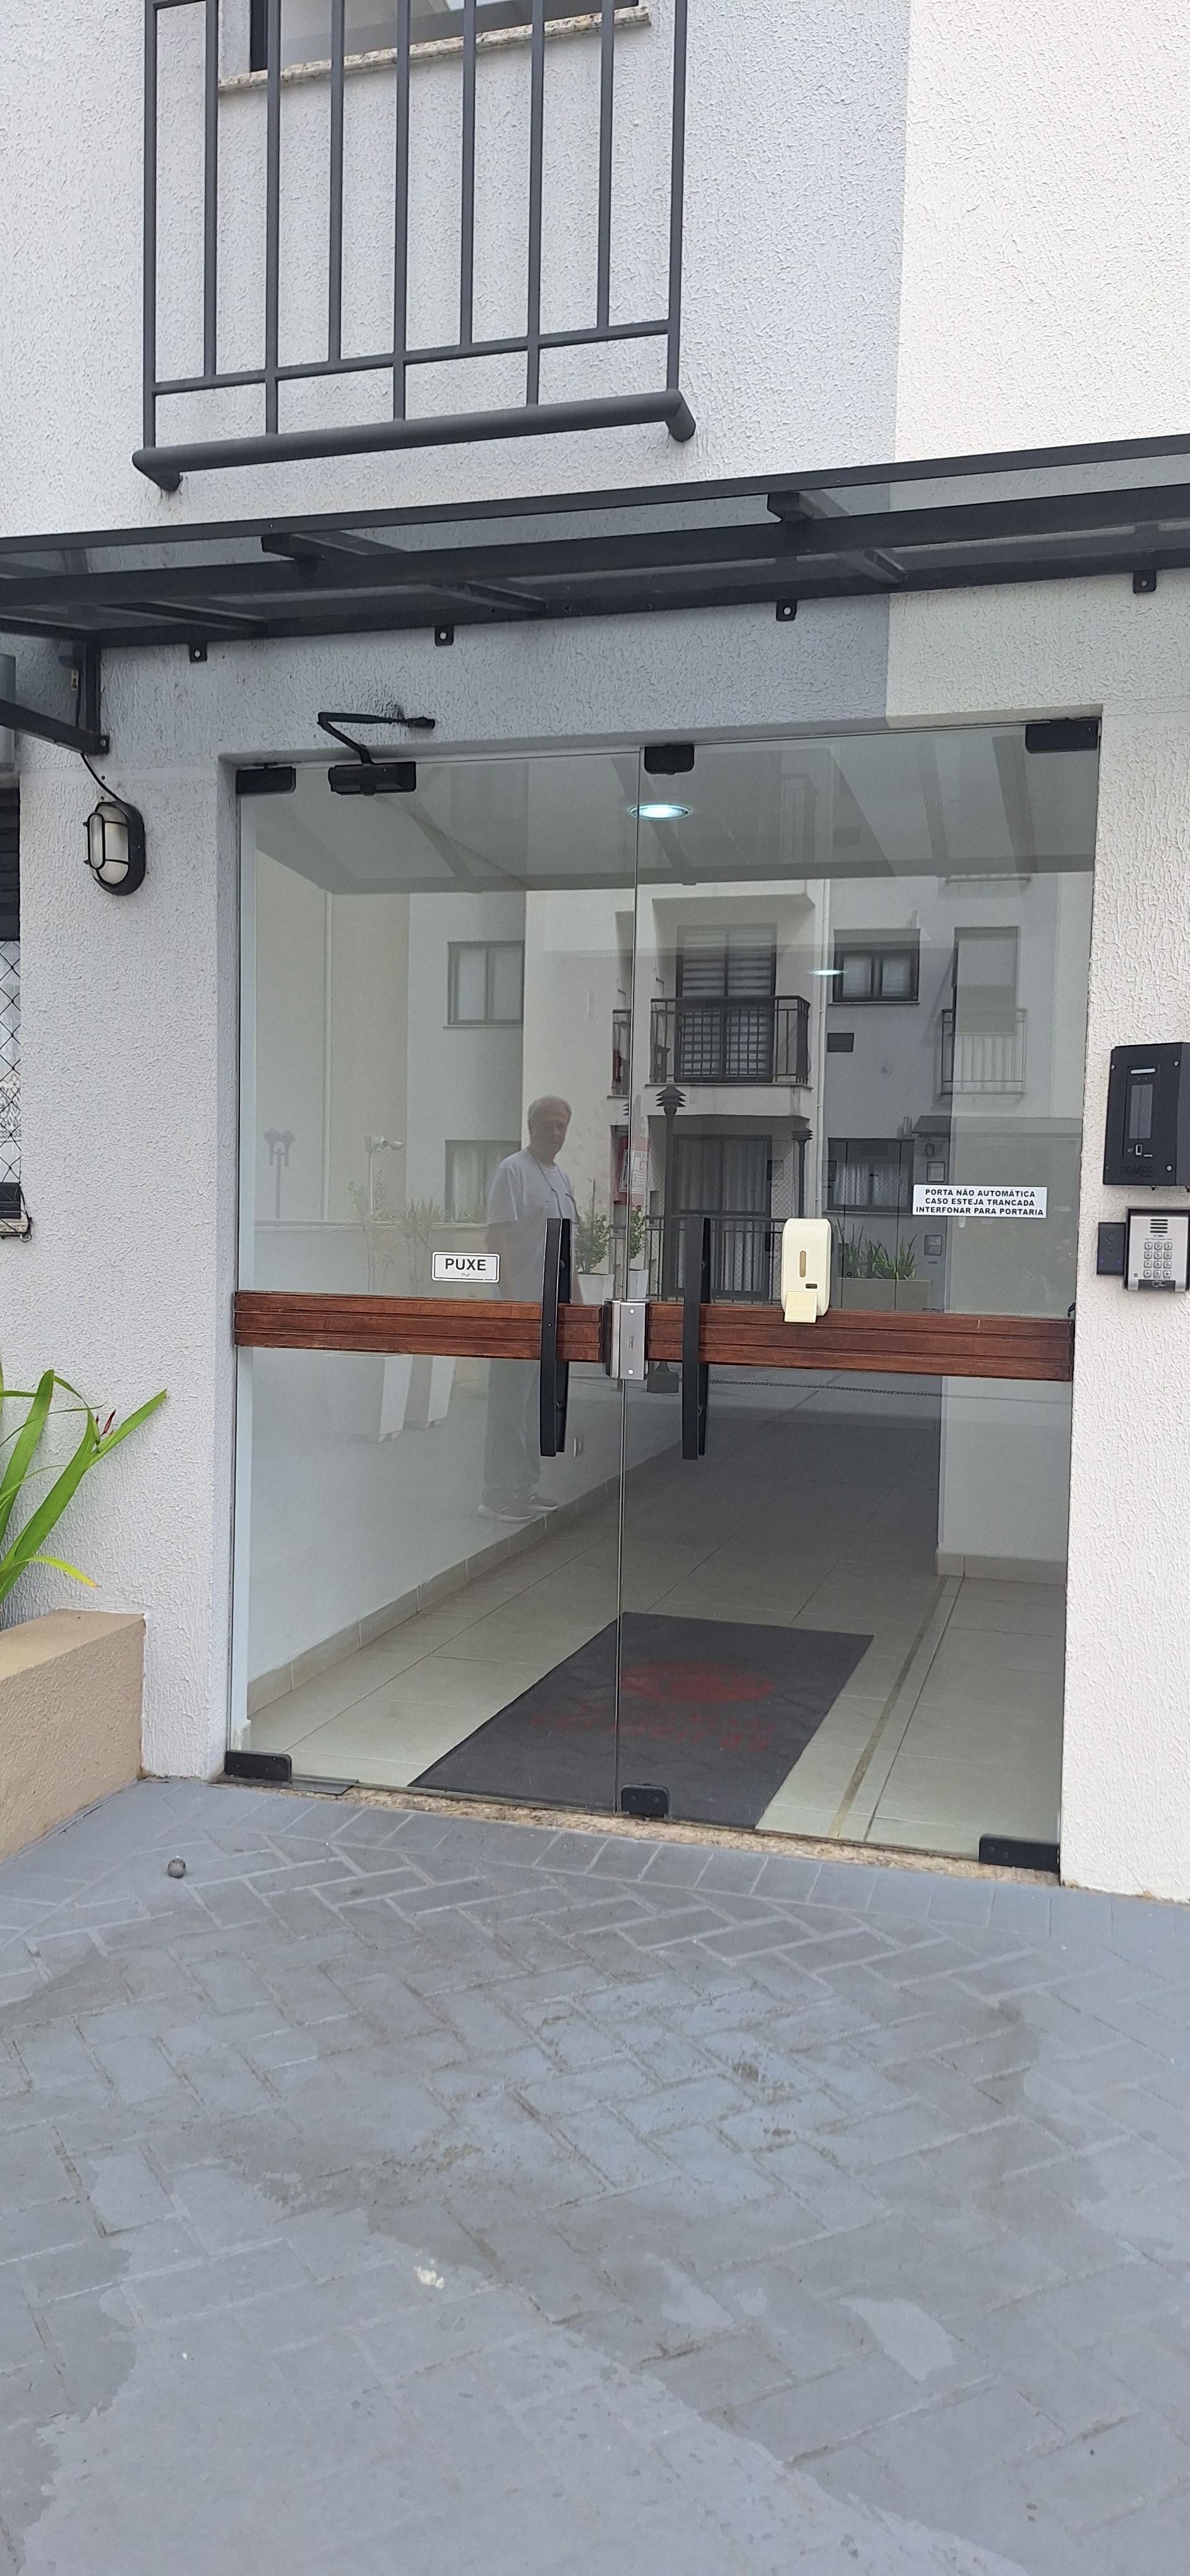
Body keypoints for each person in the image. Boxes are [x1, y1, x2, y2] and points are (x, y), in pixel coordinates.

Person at [480, 1097, 578, 1521]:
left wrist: (577, 1309)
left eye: (562, 1126)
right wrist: (511, 1306)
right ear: (531, 1126)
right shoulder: (512, 1171)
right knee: (508, 1405)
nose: (557, 1133)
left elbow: (566, 1251)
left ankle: (524, 1487)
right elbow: (497, 1239)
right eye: (550, 1125)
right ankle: (497, 1495)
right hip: (519, 1313)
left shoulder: (562, 1178)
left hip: (551, 1315)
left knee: (535, 1405)